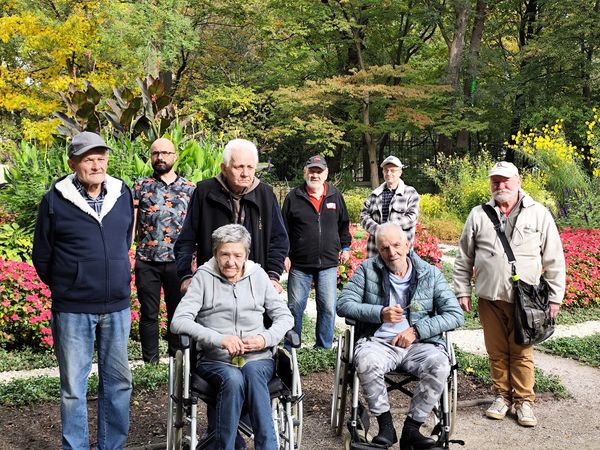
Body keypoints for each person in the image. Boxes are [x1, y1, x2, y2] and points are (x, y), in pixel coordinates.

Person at [32, 131, 134, 450]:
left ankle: (111, 446)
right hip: (74, 309)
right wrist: (69, 283)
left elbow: (125, 238)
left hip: (117, 306)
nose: (97, 164)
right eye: (89, 159)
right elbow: (42, 254)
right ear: (72, 163)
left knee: (118, 385)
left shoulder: (121, 192)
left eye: (101, 158)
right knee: (74, 388)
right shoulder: (55, 200)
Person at [453, 161, 565, 428]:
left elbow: (554, 258)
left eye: (505, 181)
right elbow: (463, 256)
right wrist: (462, 290)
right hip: (489, 297)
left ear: (517, 181)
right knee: (496, 351)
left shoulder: (539, 214)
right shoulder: (478, 214)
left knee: (522, 350)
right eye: (495, 181)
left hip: (524, 300)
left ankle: (524, 401)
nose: (500, 186)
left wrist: (555, 296)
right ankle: (501, 397)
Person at [337, 222, 464, 448]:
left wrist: (417, 331)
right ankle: (386, 428)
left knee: (440, 364)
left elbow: (455, 315)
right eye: (384, 248)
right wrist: (379, 313)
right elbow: (344, 304)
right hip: (378, 342)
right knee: (366, 361)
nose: (391, 252)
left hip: (420, 344)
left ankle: (412, 430)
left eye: (396, 245)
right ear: (378, 249)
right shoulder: (367, 270)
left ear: (407, 245)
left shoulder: (430, 274)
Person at [171, 224, 294, 450]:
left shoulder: (258, 276)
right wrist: (220, 339)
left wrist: (265, 339)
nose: (231, 262)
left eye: (237, 255)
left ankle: (267, 447)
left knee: (254, 374)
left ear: (246, 255)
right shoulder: (203, 277)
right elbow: (179, 321)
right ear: (215, 254)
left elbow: (285, 317)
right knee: (233, 378)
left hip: (258, 357)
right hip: (215, 360)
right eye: (224, 254)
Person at [174, 138, 288, 295]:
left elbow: (279, 239)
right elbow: (186, 239)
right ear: (224, 168)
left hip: (254, 283)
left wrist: (273, 276)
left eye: (250, 167)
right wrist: (186, 275)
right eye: (239, 167)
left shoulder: (265, 195)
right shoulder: (204, 192)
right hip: (213, 281)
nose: (245, 173)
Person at [132, 138, 195, 363]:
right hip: (147, 260)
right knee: (148, 313)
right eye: (156, 153)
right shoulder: (141, 186)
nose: (160, 157)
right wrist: (127, 253)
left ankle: (178, 361)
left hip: (178, 262)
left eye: (166, 153)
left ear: (175, 156)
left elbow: (195, 226)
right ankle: (151, 362)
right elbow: (133, 222)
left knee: (177, 313)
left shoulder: (189, 189)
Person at [282, 155, 351, 348]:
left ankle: (323, 346)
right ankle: (291, 346)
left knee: (328, 307)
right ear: (305, 172)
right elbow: (283, 230)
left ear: (326, 173)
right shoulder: (293, 197)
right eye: (311, 170)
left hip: (328, 263)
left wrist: (345, 247)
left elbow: (344, 224)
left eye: (319, 171)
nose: (315, 174)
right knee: (295, 307)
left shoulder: (335, 195)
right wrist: (284, 254)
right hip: (300, 263)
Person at [360, 155, 419, 257]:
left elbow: (412, 217)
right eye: (386, 170)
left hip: (399, 254)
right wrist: (378, 229)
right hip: (375, 252)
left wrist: (388, 229)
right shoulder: (374, 194)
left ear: (400, 172)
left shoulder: (410, 193)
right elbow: (363, 216)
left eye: (393, 170)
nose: (388, 173)